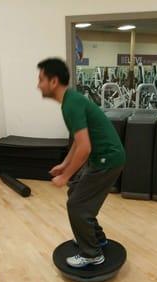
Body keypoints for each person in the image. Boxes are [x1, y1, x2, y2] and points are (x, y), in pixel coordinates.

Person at [37, 58, 126, 268]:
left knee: (76, 206)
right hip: (103, 157)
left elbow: (85, 148)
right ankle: (97, 238)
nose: (37, 85)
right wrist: (65, 166)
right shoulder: (71, 101)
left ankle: (92, 253)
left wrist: (65, 176)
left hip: (108, 159)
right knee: (75, 191)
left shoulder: (71, 105)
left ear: (53, 81)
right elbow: (79, 143)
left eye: (41, 79)